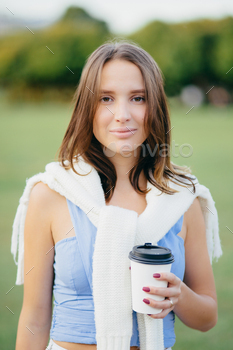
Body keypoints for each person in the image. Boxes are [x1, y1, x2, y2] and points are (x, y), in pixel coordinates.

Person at [12, 39, 222, 350]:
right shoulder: (51, 193)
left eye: (138, 98)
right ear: (87, 107)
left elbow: (207, 317)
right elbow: (35, 317)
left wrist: (179, 296)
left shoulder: (182, 198)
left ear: (156, 108)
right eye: (106, 98)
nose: (122, 114)